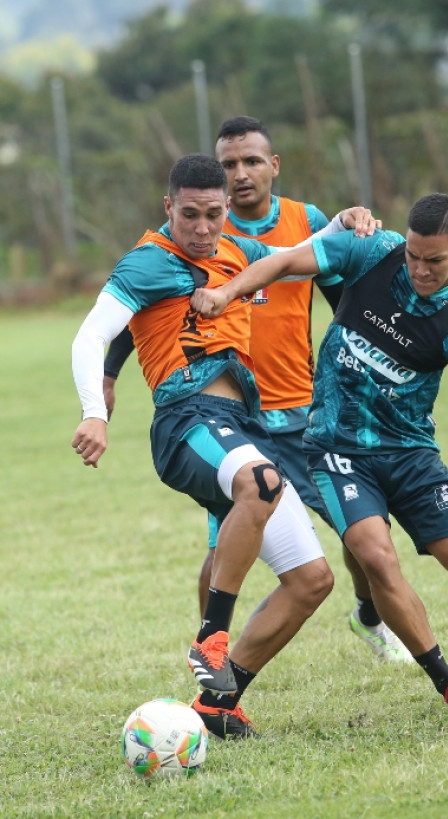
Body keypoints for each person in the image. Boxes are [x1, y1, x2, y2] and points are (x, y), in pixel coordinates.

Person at [191, 192, 448, 713]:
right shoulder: (373, 250)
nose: (419, 269)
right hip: (335, 448)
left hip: (411, 453)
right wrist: (226, 294)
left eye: (435, 261)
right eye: (414, 256)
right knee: (375, 557)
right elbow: (284, 260)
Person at [71, 153, 375, 739]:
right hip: (187, 421)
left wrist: (342, 222)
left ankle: (219, 703)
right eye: (191, 215)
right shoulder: (147, 263)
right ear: (169, 208)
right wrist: (94, 413)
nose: (204, 228)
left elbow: (294, 257)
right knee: (260, 481)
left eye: (214, 215)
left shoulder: (236, 251)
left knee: (313, 580)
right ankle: (212, 634)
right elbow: (91, 334)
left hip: (241, 428)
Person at [103, 116, 409, 663]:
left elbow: (344, 301)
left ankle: (367, 615)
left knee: (357, 530)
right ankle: (210, 651)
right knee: (223, 543)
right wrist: (106, 377)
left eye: (250, 161)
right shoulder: (187, 242)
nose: (240, 173)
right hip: (228, 419)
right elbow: (144, 316)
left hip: (302, 412)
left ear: (273, 165)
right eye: (228, 165)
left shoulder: (305, 221)